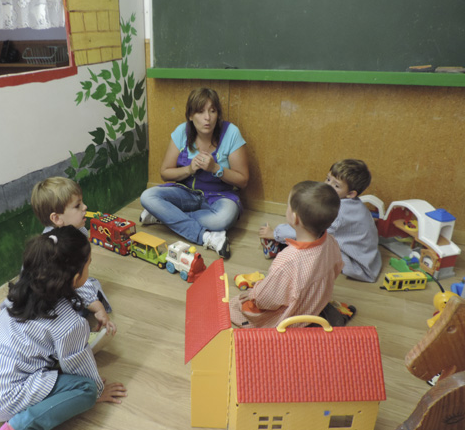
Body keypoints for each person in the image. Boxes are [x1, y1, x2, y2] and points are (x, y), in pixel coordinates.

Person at [0, 226, 127, 430]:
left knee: (0, 355)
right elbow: (78, 365)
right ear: (76, 276)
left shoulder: (18, 293)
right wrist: (98, 391)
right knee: (85, 389)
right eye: (89, 263)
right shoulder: (70, 324)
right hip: (1, 400)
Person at [139, 87, 249, 259]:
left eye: (212, 111)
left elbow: (242, 180)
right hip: (186, 193)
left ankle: (164, 217)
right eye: (200, 111)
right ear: (190, 115)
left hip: (220, 197)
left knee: (223, 219)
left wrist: (216, 168)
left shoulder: (231, 133)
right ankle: (207, 236)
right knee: (148, 196)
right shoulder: (181, 132)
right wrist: (189, 169)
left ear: (218, 114)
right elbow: (165, 173)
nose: (207, 118)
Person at [230, 181, 344, 328]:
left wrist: (254, 294)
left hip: (291, 318)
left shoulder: (287, 260)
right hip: (315, 303)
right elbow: (336, 269)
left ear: (295, 218)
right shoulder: (331, 241)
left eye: (288, 205)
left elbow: (266, 300)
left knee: (235, 306)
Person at [260, 159, 381, 283]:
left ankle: (278, 247)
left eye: (336, 186)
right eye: (328, 179)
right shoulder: (354, 204)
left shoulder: (338, 212)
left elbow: (309, 229)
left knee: (310, 236)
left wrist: (274, 233)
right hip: (370, 259)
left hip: (357, 265)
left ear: (350, 194)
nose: (328, 186)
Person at [31, 176, 112, 315]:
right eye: (77, 206)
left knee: (92, 286)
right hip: (48, 297)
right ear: (57, 218)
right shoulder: (54, 247)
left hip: (67, 285)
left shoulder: (80, 230)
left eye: (82, 202)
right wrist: (94, 303)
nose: (85, 207)